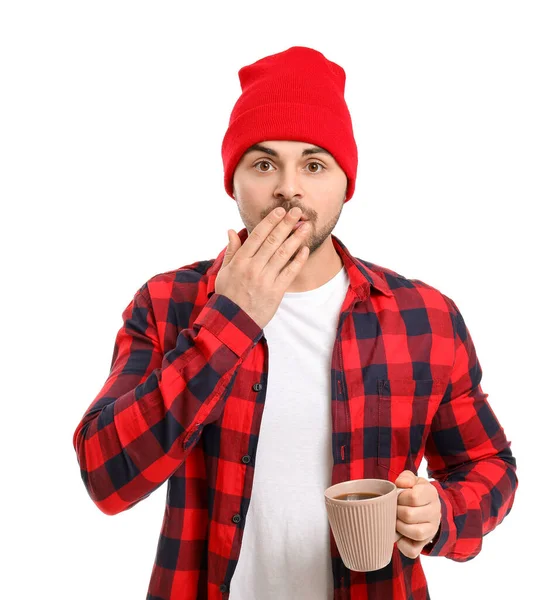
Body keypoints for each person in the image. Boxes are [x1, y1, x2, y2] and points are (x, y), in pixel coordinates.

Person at [72, 46, 518, 600]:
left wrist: (441, 514)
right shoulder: (168, 303)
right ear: (233, 180)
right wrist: (231, 320)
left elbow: (488, 466)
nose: (288, 187)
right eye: (263, 163)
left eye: (314, 164)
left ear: (344, 183)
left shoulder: (424, 317)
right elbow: (105, 475)